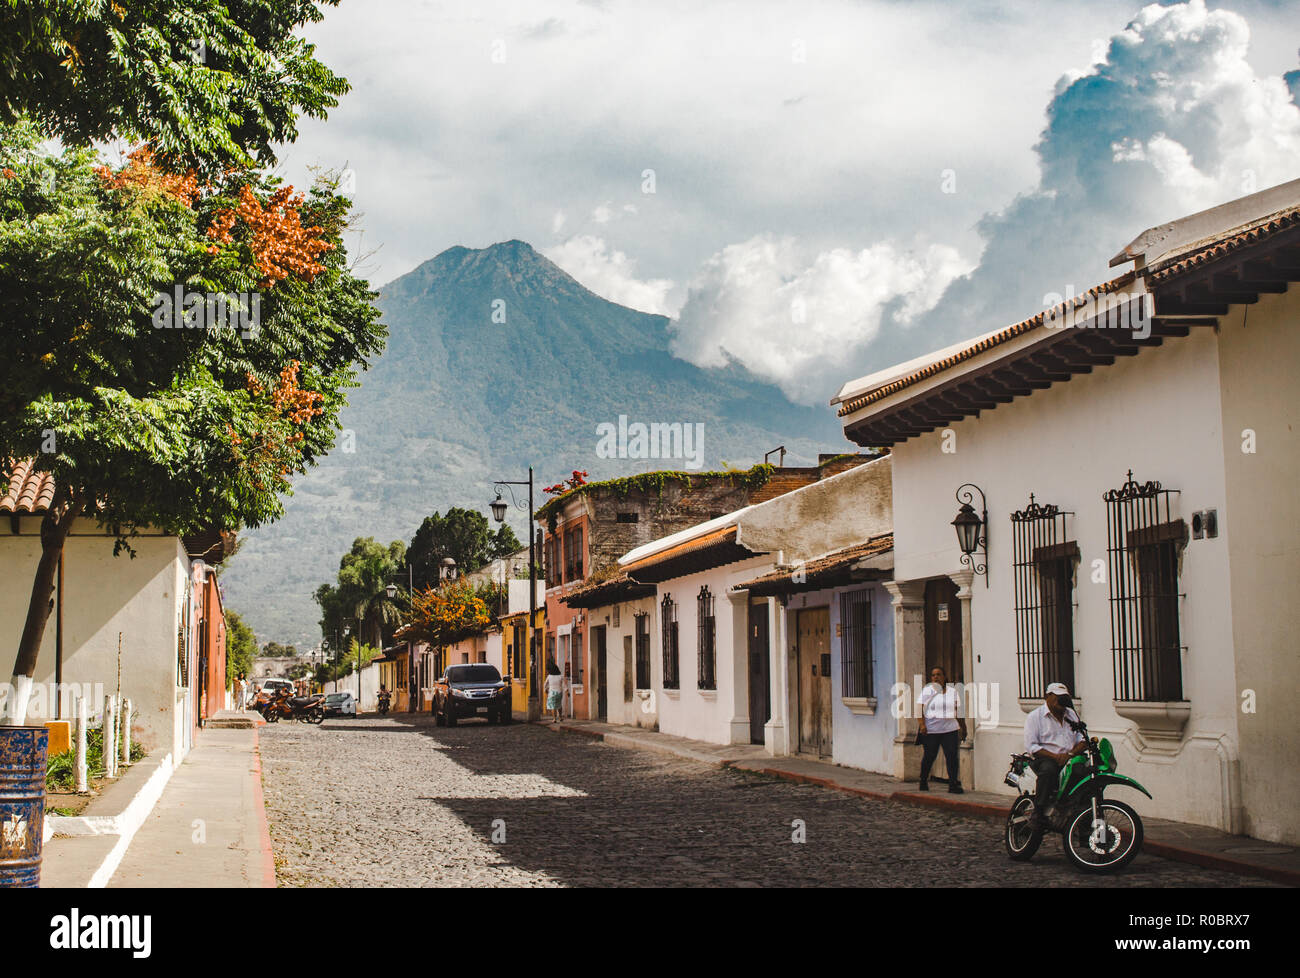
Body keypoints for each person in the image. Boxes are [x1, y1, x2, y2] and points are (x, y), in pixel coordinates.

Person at [1024, 681, 1087, 825]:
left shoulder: (1071, 714)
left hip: (1070, 759)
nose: (1061, 701)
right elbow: (1031, 746)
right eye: (1057, 697)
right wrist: (1055, 757)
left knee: (1084, 774)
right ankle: (1038, 812)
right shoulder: (1035, 716)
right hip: (1045, 758)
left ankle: (1081, 818)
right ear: (1048, 696)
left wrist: (1070, 754)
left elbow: (1082, 739)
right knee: (1048, 770)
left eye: (1063, 697)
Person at [917, 666, 966, 793]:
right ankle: (923, 780)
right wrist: (922, 725)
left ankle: (953, 784)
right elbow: (919, 710)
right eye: (933, 675)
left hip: (950, 729)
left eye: (939, 674)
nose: (936, 677)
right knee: (929, 756)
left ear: (944, 677)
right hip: (932, 730)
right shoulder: (927, 691)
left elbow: (957, 710)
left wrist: (962, 726)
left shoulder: (952, 691)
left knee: (951, 757)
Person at [544, 659, 564, 723]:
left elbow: (545, 684)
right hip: (559, 692)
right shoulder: (560, 676)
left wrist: (545, 690)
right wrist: (567, 691)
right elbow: (564, 685)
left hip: (552, 693)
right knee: (559, 705)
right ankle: (560, 717)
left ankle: (554, 718)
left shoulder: (549, 676)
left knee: (553, 706)